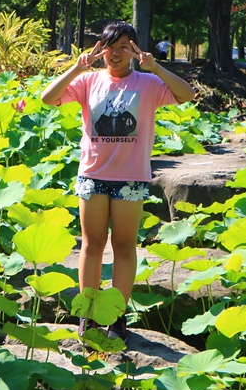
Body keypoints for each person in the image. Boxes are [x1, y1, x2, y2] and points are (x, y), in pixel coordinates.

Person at [41, 21, 195, 341]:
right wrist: (75, 67)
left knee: (124, 247)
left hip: (130, 179)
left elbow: (187, 94)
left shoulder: (148, 84)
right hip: (93, 175)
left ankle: (116, 318)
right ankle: (88, 315)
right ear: (101, 49)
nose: (116, 53)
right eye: (111, 46)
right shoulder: (87, 82)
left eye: (125, 46)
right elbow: (47, 98)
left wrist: (155, 66)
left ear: (134, 51)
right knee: (92, 245)